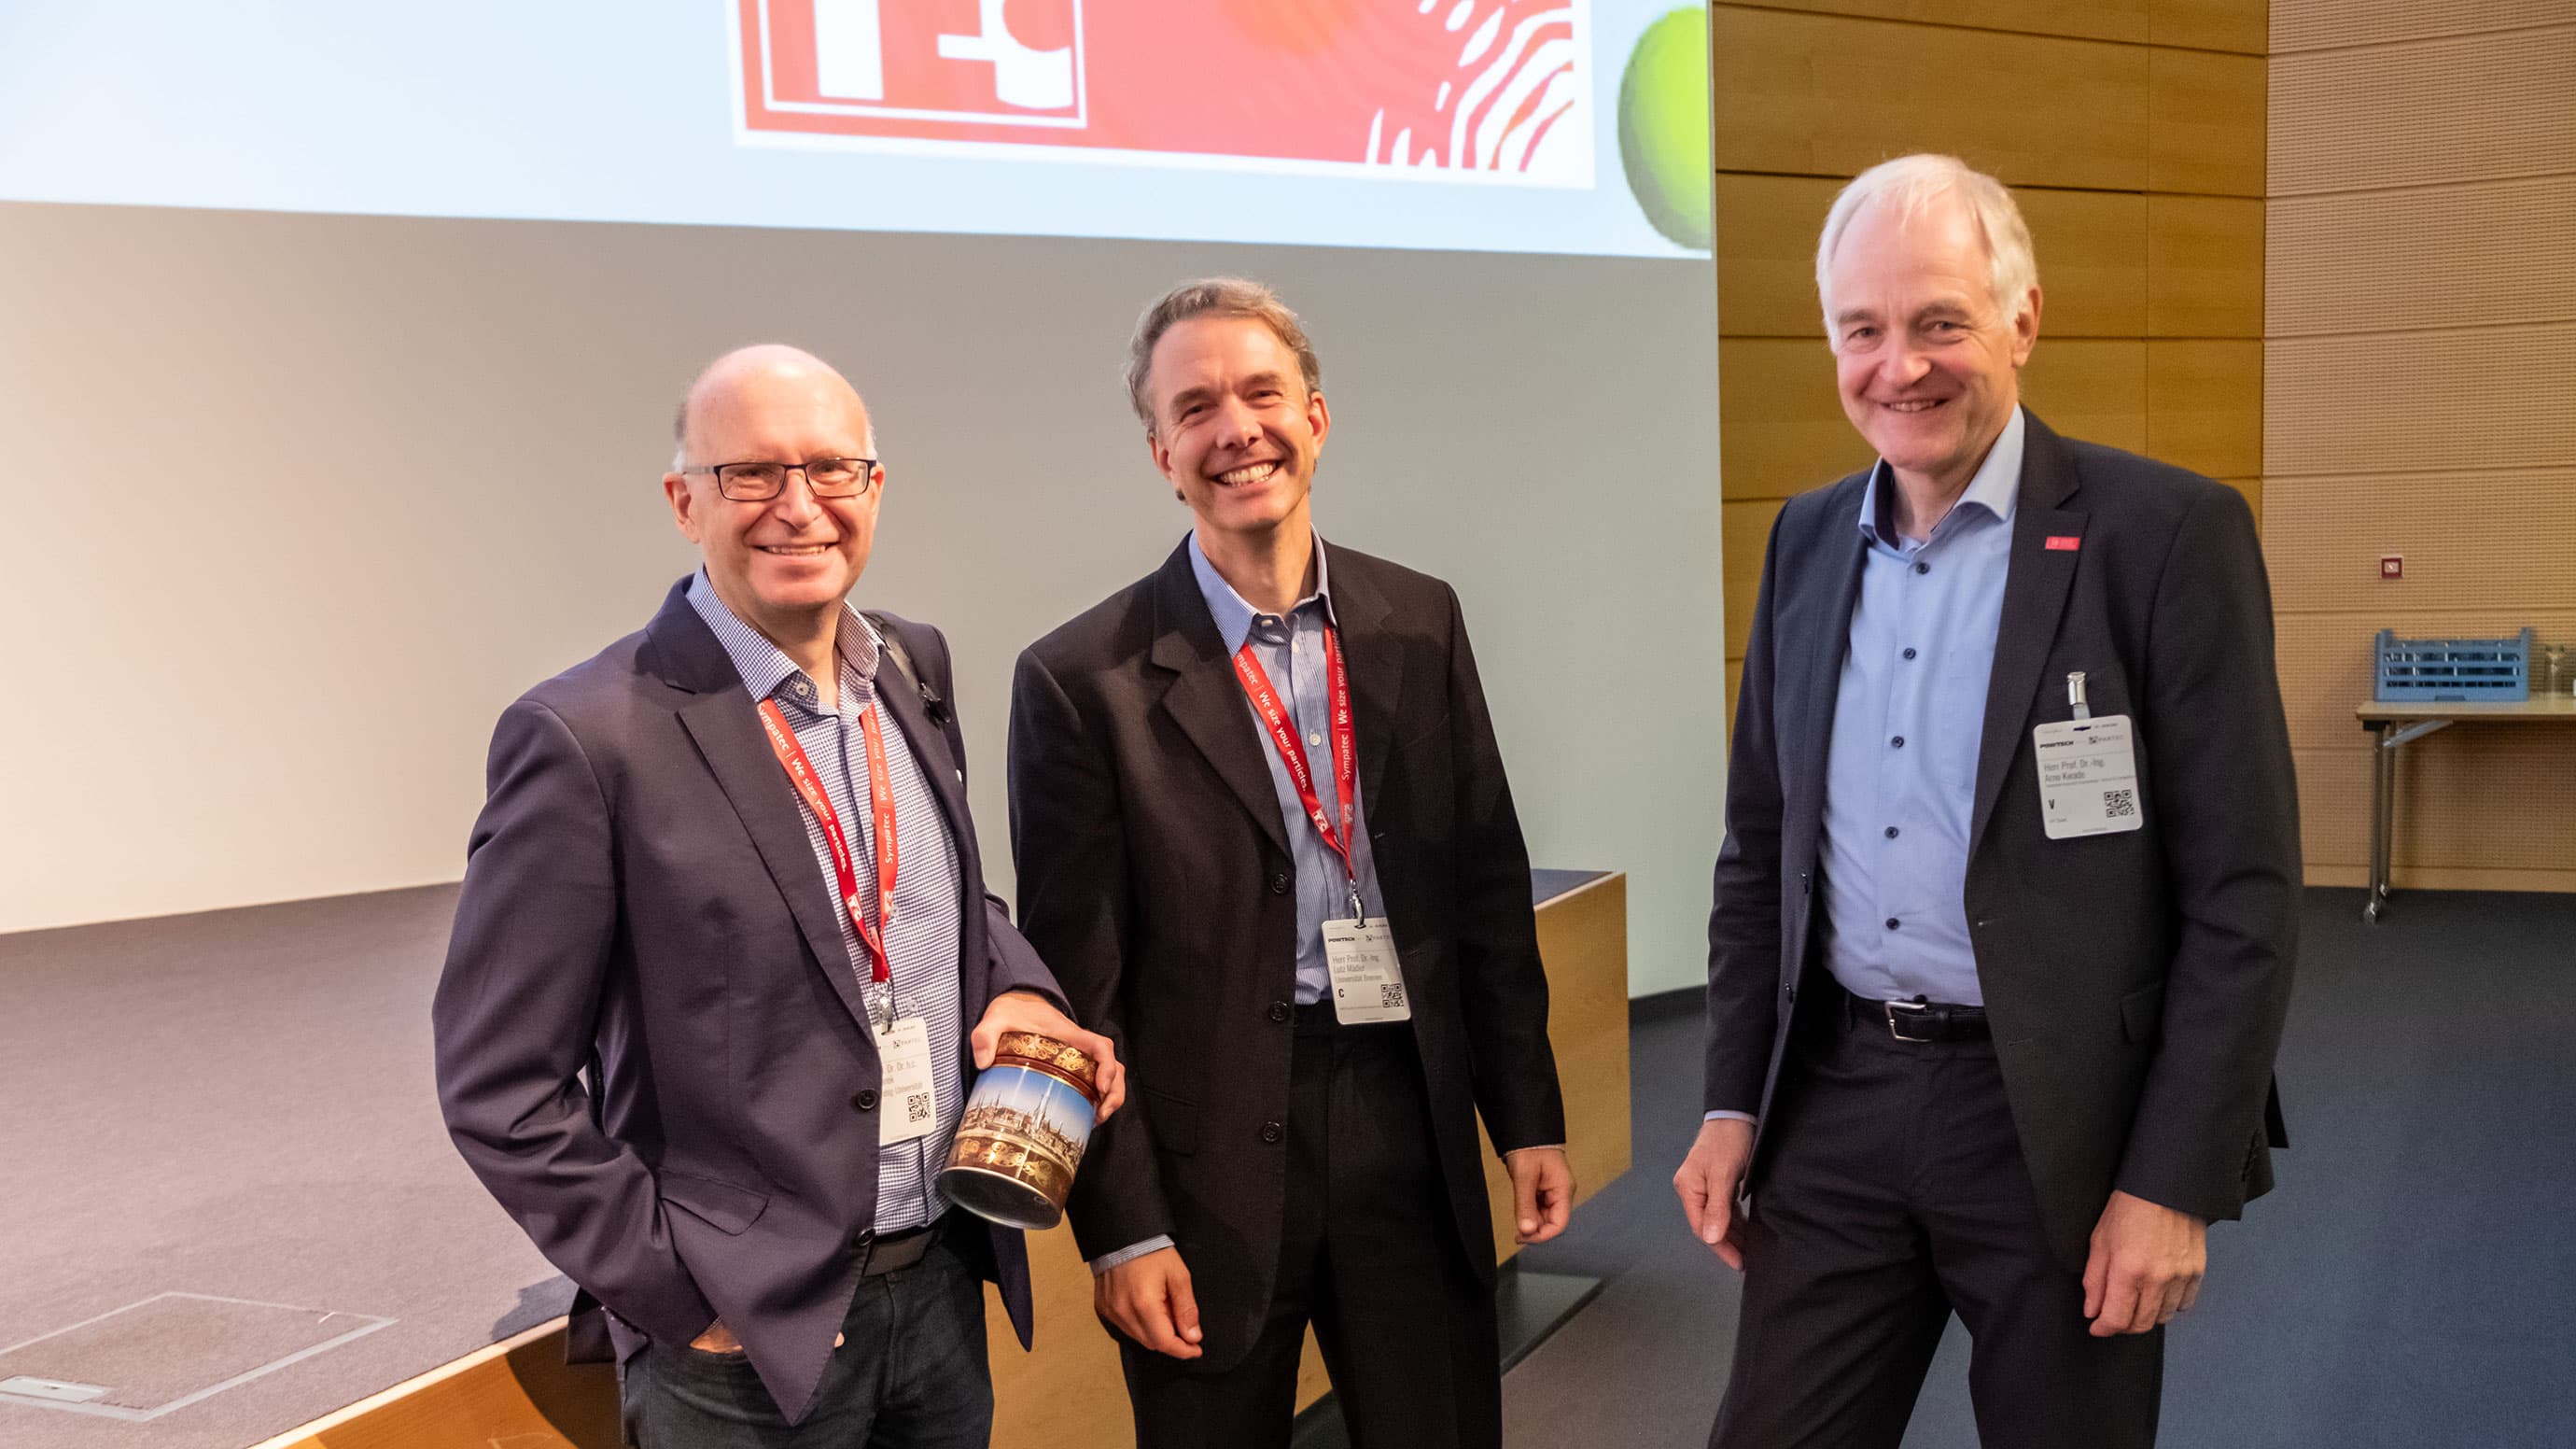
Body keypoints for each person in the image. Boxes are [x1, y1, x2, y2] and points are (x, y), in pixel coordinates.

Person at [1673, 155, 2298, 1448]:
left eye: (1939, 321)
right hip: (1837, 1099)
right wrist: (1733, 1097)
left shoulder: (2161, 535)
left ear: (2023, 318)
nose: (1899, 365)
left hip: (2058, 1121)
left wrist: (2169, 1182)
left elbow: (2243, 894)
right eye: (1864, 329)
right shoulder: (1802, 539)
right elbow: (1763, 850)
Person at [432, 345, 1123, 1448]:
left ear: (874, 488)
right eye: (751, 474)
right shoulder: (587, 736)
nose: (798, 507)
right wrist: (681, 1298)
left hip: (942, 1278)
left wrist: (1025, 986)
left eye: (830, 470)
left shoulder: (913, 662)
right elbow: (497, 1086)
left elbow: (938, 895)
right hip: (744, 1344)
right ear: (683, 501)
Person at [1006, 277, 1574, 1449]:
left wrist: (1527, 1118)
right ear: (1162, 450)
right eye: (1197, 406)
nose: (1236, 429)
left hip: (1406, 1125)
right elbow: (1082, 995)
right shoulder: (1082, 681)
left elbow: (1482, 889)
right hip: (1202, 1168)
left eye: (1262, 392)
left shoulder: (1421, 619)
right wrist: (1120, 1226)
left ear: (1316, 414)